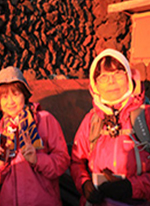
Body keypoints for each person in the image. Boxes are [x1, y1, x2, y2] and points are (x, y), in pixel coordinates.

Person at [70, 48, 150, 205]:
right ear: (95, 85)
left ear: (129, 77)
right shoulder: (91, 120)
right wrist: (84, 184)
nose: (111, 81)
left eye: (118, 74)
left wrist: (132, 187)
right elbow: (77, 161)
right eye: (103, 77)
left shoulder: (146, 116)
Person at [0, 66, 70, 205]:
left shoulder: (45, 120)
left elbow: (62, 161)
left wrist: (37, 160)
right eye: (4, 97)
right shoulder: (1, 129)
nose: (10, 102)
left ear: (25, 95)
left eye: (15, 94)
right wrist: (1, 164)